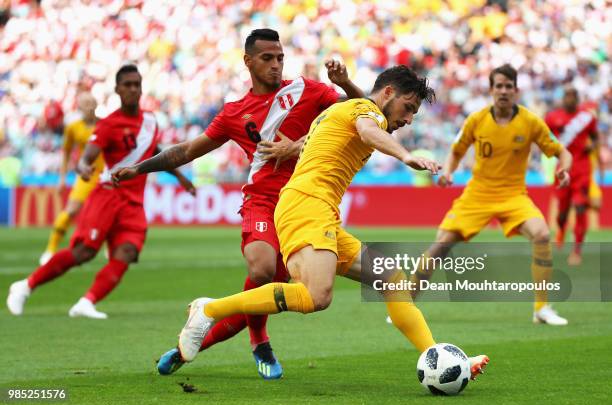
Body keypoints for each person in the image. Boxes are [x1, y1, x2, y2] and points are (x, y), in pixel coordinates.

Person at [165, 65, 489, 380]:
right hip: (307, 204)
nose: (407, 119)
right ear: (388, 92)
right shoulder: (366, 111)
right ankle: (209, 310)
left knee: (392, 278)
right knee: (315, 297)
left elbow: (316, 142)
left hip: (318, 210)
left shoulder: (342, 112)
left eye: (414, 114)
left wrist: (293, 145)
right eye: (408, 107)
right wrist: (405, 156)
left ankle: (439, 358)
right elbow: (369, 130)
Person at [112, 29, 364, 380]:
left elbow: (359, 114)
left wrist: (346, 84)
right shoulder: (235, 112)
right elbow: (186, 150)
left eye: (280, 58)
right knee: (261, 270)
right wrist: (139, 168)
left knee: (271, 292)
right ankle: (260, 341)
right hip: (261, 201)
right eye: (267, 58)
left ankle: (187, 349)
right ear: (248, 61)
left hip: (302, 206)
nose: (276, 65)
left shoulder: (307, 90)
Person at [6, 64, 195, 319]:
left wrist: (181, 177)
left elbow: (154, 152)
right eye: (127, 84)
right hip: (108, 195)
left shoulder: (150, 121)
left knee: (126, 252)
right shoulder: (108, 124)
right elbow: (86, 158)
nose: (132, 89)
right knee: (83, 253)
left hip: (133, 202)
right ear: (117, 89)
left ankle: (86, 302)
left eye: (136, 84)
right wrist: (83, 168)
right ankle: (25, 286)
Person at [405, 64, 572, 326]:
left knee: (541, 234)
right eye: (499, 86)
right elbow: (456, 150)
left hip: (514, 195)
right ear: (491, 90)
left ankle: (541, 308)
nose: (503, 91)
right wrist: (448, 172)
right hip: (478, 194)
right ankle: (405, 304)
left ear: (515, 90)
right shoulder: (476, 120)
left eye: (508, 86)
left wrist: (564, 168)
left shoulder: (530, 122)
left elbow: (563, 152)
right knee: (440, 245)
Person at [39, 92, 104, 265]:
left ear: (97, 104)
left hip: (106, 176)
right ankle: (50, 249)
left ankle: (112, 249)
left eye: (91, 102)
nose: (89, 106)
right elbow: (66, 153)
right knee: (71, 210)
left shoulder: (106, 125)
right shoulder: (73, 128)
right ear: (79, 107)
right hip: (86, 176)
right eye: (85, 103)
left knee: (108, 215)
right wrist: (61, 179)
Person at [545, 86, 599, 265]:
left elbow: (595, 136)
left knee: (580, 207)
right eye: (566, 96)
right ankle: (561, 230)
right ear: (563, 99)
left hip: (582, 168)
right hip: (563, 169)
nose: (569, 99)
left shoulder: (587, 117)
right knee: (562, 213)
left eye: (573, 96)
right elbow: (544, 138)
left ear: (577, 99)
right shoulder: (552, 118)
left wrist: (592, 146)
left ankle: (577, 251)